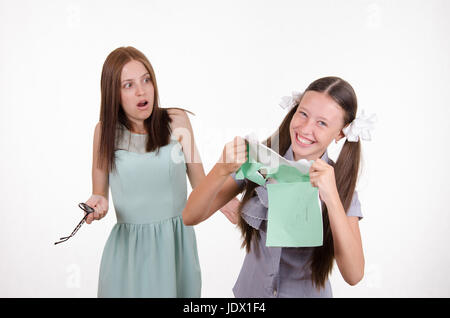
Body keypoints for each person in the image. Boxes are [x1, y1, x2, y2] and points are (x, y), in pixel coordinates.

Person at [183, 76, 367, 297]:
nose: (306, 128)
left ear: (340, 132)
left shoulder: (340, 185)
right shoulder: (261, 159)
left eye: (322, 123)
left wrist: (332, 198)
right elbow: (190, 216)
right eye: (303, 113)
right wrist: (220, 169)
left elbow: (354, 275)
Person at [83, 46, 235, 297]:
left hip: (176, 246)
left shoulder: (177, 120)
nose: (141, 90)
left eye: (146, 80)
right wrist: (97, 203)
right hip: (128, 252)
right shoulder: (104, 132)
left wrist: (234, 201)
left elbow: (202, 183)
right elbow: (100, 193)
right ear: (113, 93)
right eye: (128, 85)